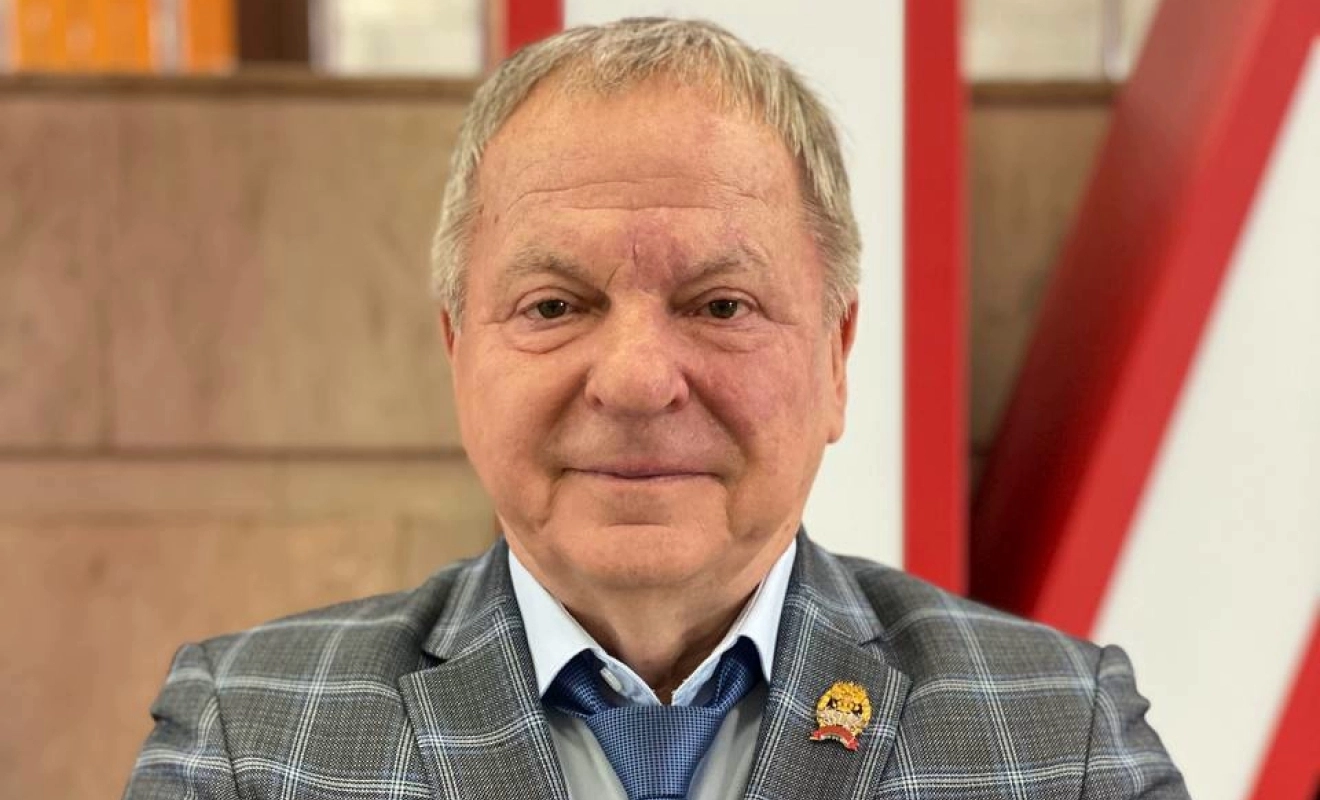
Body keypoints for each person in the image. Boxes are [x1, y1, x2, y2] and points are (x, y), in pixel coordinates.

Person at [124, 18, 1188, 800]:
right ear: (459, 354)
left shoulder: (1064, 738)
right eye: (554, 305)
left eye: (721, 304)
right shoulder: (248, 739)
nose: (636, 380)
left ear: (836, 356)